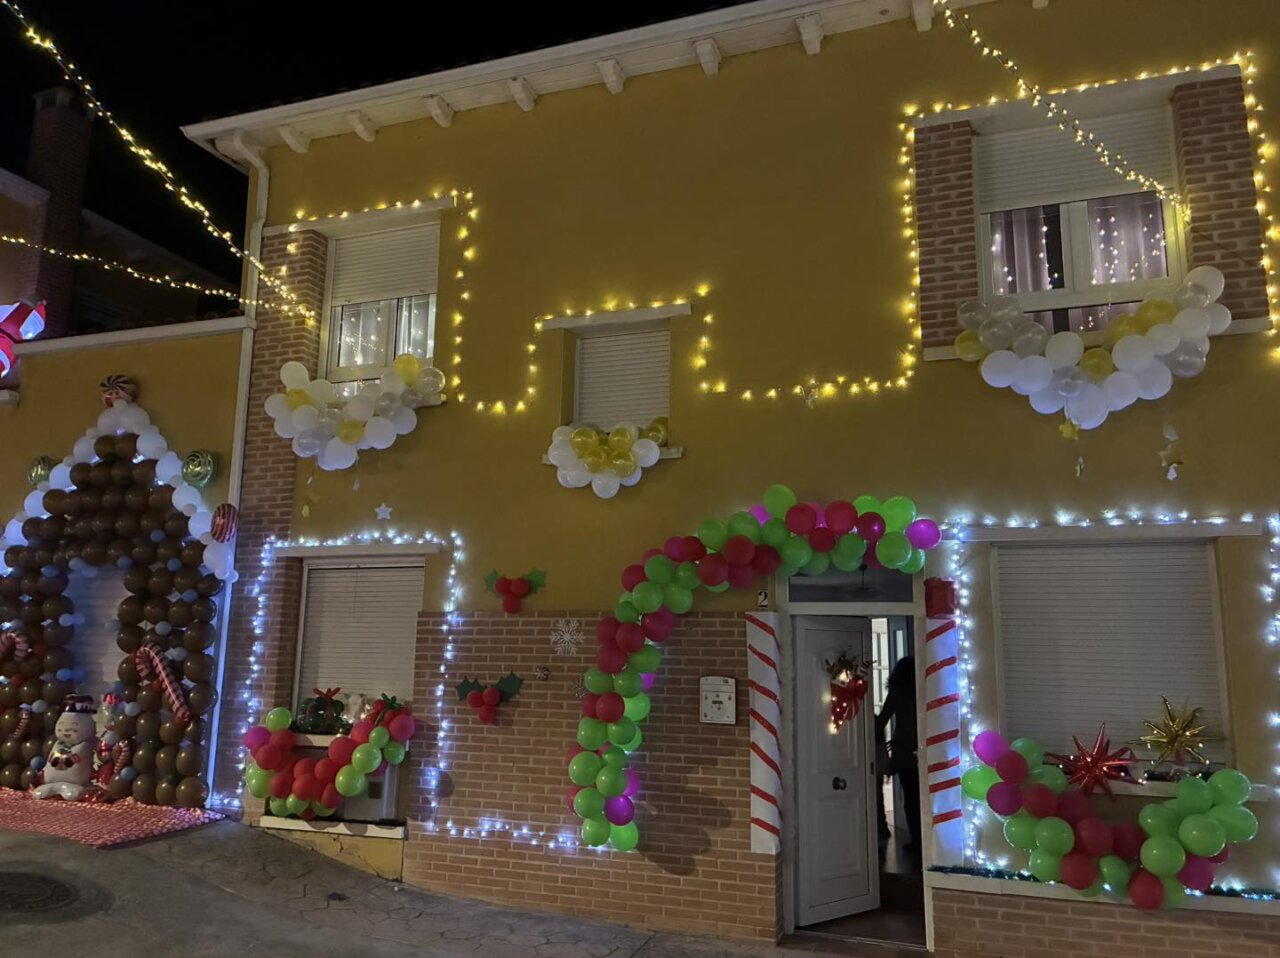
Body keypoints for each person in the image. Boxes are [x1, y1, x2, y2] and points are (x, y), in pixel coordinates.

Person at [875, 657, 920, 853]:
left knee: (910, 798)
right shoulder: (924, 691)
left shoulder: (897, 693)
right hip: (927, 750)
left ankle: (916, 839)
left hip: (904, 752)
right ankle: (927, 840)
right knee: (926, 798)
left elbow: (883, 718)